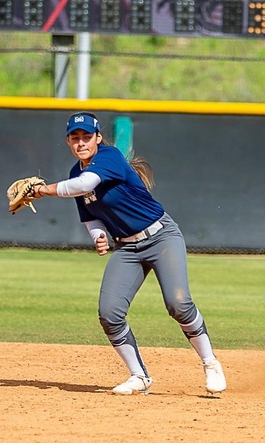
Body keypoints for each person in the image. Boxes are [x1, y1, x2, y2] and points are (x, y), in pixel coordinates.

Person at [30, 112, 227, 395]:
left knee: (178, 303)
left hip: (160, 236)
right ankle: (139, 376)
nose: (82, 142)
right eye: (76, 138)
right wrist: (98, 235)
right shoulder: (76, 172)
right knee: (109, 313)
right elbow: (89, 215)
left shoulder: (108, 157)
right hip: (127, 247)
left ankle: (210, 363)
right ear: (68, 141)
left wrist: (44, 190)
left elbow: (85, 186)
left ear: (98, 138)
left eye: (87, 136)